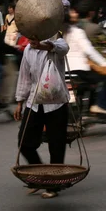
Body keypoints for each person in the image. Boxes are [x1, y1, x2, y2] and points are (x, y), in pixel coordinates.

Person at [14, 33, 70, 200]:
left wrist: (45, 46)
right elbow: (24, 77)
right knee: (24, 143)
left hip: (56, 103)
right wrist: (19, 102)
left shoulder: (56, 44)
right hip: (34, 102)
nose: (32, 39)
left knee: (56, 145)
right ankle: (41, 175)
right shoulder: (28, 51)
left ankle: (54, 185)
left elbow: (63, 48)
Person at [64, 4, 106, 115]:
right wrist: (105, 64)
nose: (75, 14)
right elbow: (89, 50)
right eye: (72, 13)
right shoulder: (77, 31)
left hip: (63, 71)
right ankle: (101, 105)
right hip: (79, 70)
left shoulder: (59, 32)